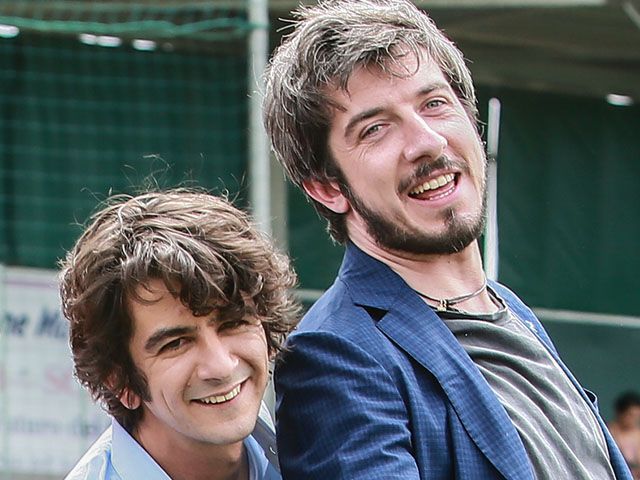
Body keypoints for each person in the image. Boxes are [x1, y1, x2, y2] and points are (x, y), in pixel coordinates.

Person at [262, 0, 633, 478]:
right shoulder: (336, 357)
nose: (427, 142)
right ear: (327, 188)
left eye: (434, 104)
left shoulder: (508, 311)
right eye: (376, 129)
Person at [59, 189, 299, 480]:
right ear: (120, 381)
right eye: (176, 344)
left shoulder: (308, 443)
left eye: (234, 323)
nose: (222, 367)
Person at [609, 391, 640, 479]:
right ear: (620, 413)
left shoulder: (637, 435)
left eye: (637, 416)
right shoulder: (609, 432)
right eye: (631, 415)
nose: (634, 419)